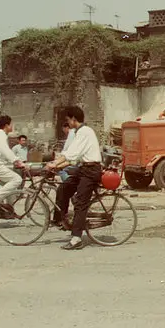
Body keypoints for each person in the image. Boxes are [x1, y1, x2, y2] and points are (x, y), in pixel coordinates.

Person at [46, 106, 104, 250]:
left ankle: (77, 238)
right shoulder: (80, 132)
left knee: (80, 203)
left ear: (73, 119)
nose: (68, 123)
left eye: (68, 120)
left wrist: (54, 163)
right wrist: (57, 165)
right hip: (83, 168)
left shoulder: (84, 132)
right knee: (63, 188)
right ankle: (61, 220)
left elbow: (71, 154)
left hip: (91, 171)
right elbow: (73, 157)